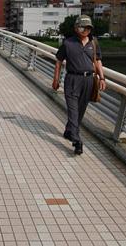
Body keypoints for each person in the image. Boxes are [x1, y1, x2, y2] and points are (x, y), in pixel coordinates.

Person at [52, 15, 106, 155]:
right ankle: (77, 141)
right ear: (76, 28)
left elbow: (98, 61)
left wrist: (102, 78)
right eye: (83, 27)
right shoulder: (68, 43)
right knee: (73, 110)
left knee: (80, 111)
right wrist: (56, 80)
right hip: (72, 80)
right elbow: (58, 62)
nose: (85, 30)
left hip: (88, 81)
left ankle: (69, 131)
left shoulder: (93, 43)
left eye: (88, 27)